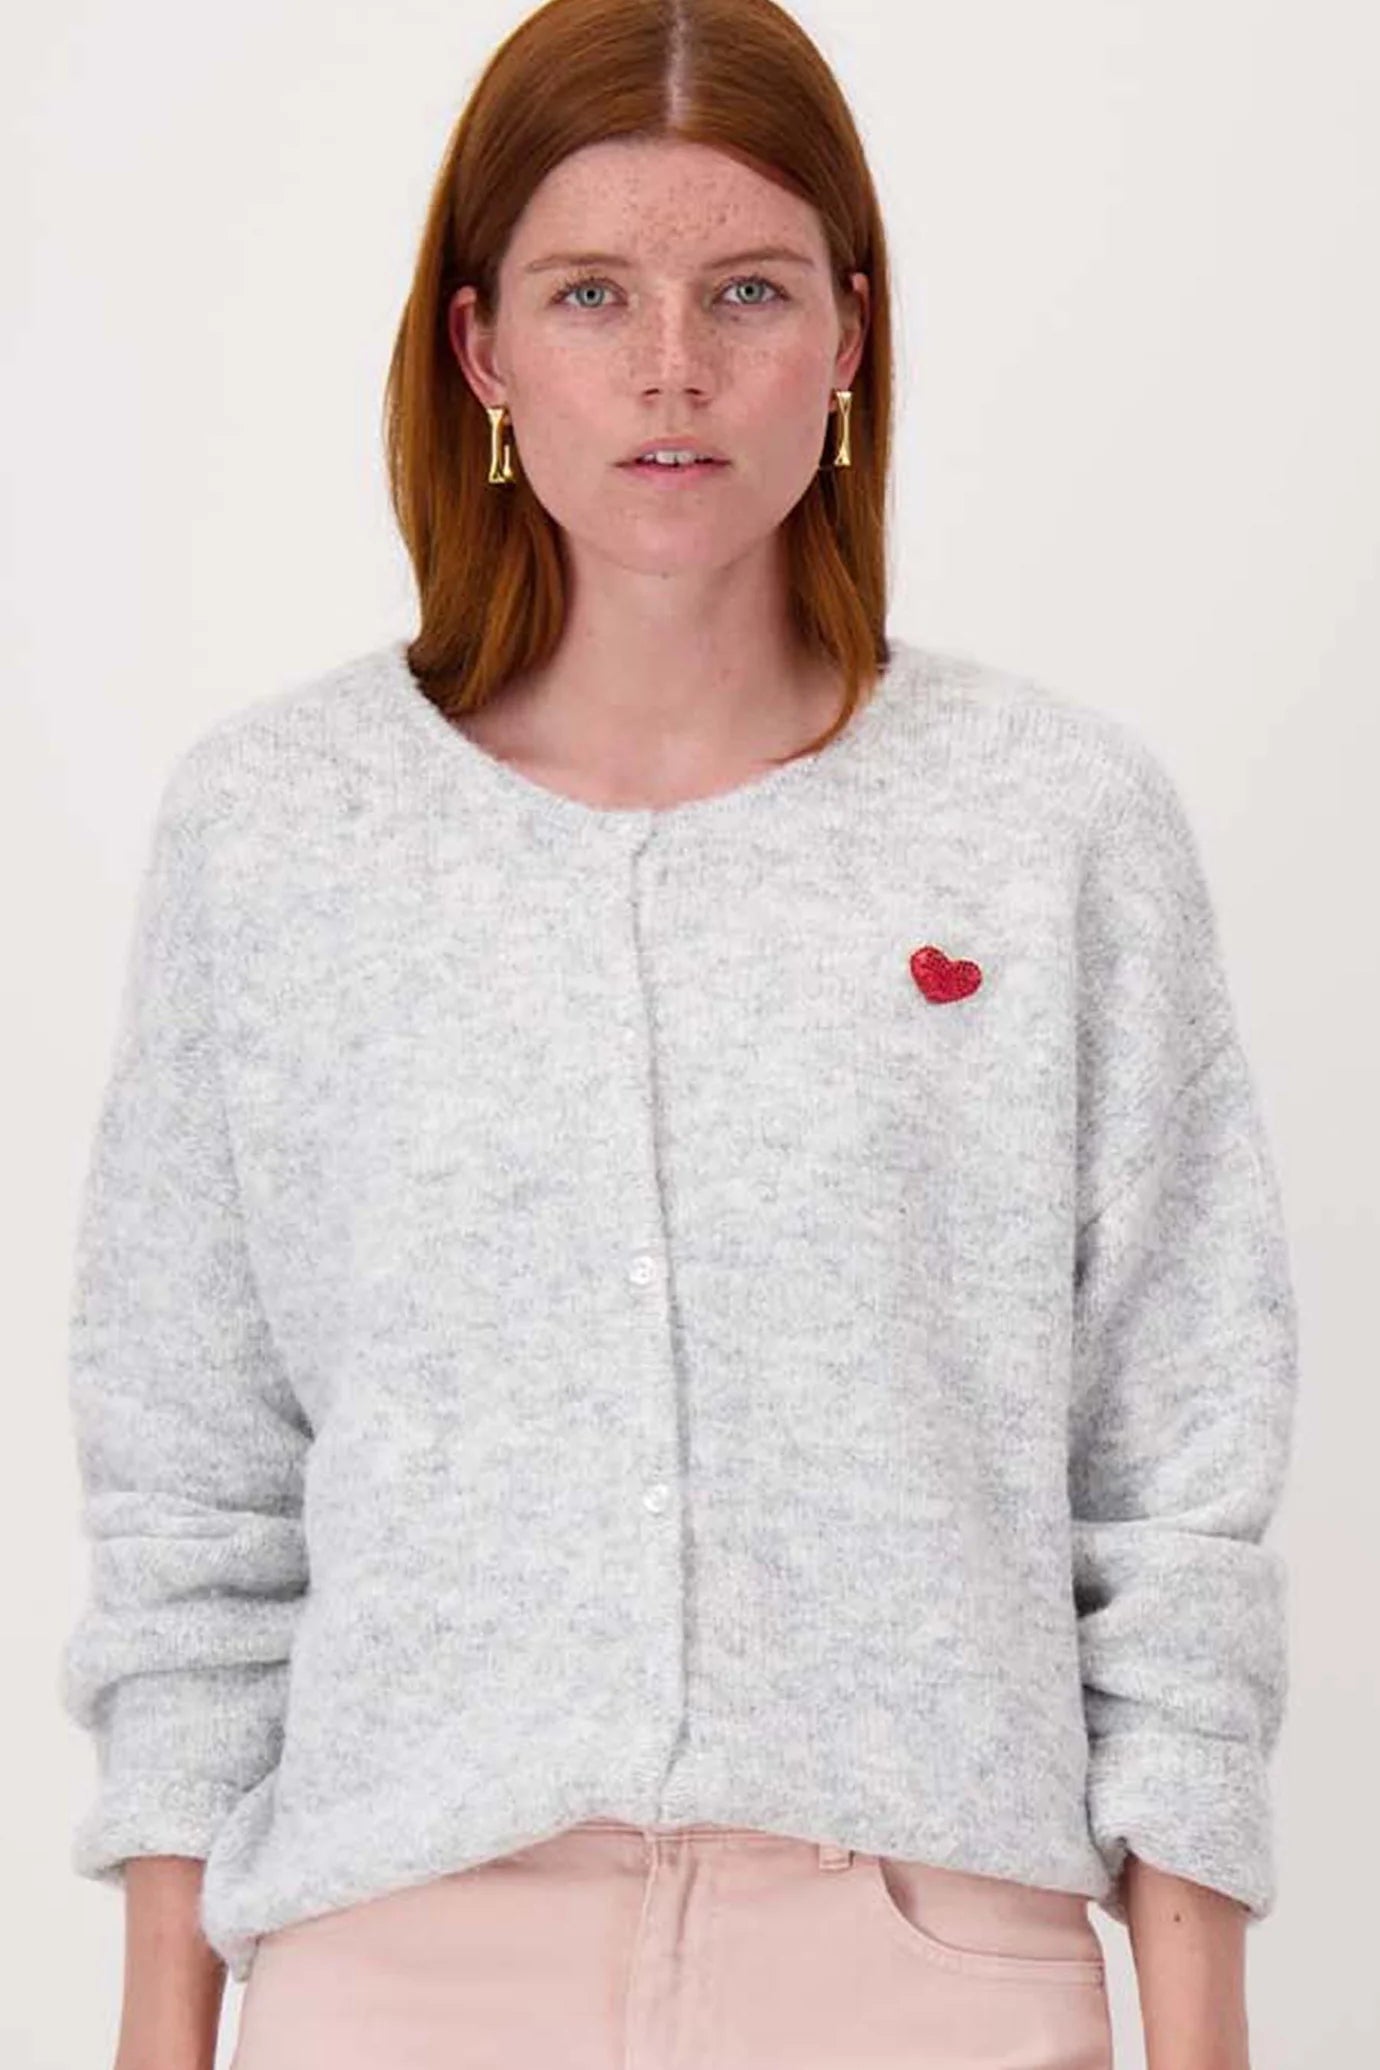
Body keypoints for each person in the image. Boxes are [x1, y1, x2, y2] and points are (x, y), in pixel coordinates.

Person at [59, 2, 1299, 2066]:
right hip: (397, 1960)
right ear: (481, 350)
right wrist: (158, 2041)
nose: (669, 370)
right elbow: (196, 1494)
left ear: (849, 335)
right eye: (590, 293)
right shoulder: (278, 832)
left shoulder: (1050, 820)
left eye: (746, 290)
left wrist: (1203, 2040)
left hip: (930, 1959)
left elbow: (1173, 1478)